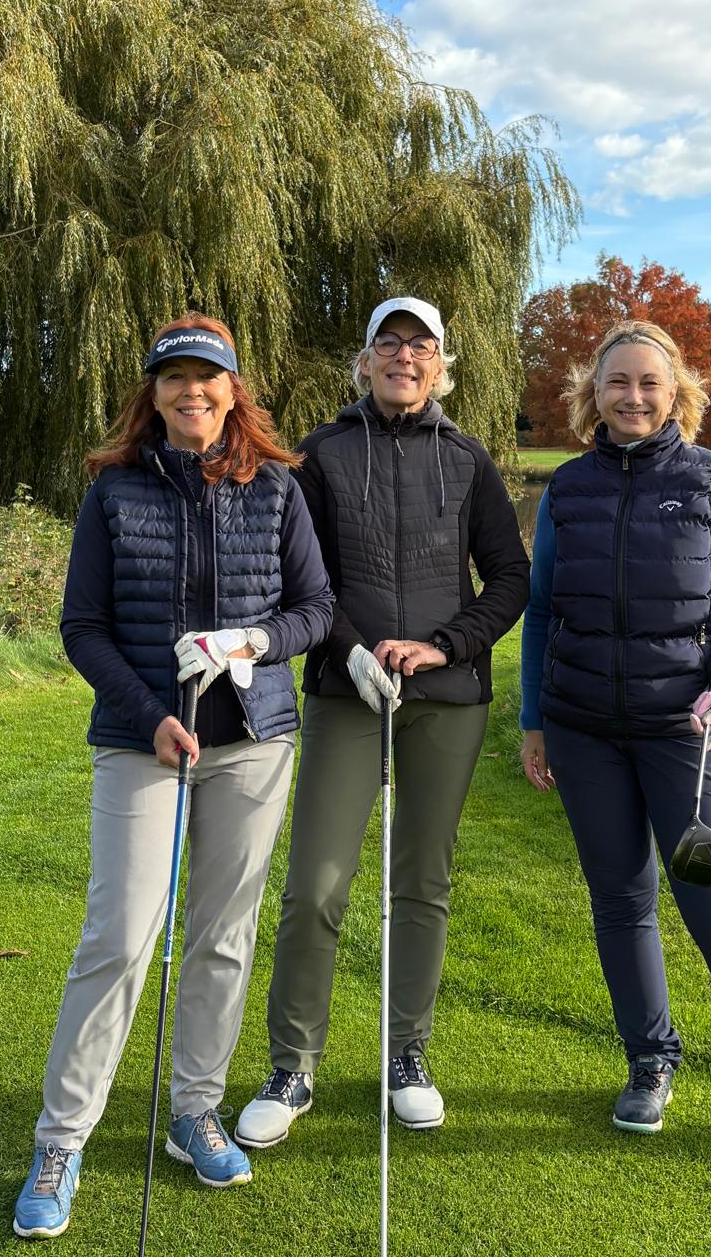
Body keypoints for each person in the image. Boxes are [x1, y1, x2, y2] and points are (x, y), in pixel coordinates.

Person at [13, 315, 333, 1239]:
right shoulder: (114, 491)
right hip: (141, 739)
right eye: (174, 379)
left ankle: (195, 1111)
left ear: (233, 391)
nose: (193, 391)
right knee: (120, 936)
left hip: (255, 739)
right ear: (152, 395)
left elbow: (315, 607)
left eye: (208, 377)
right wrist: (149, 712)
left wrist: (252, 640)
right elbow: (83, 627)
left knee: (223, 936)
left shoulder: (277, 487)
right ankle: (61, 1140)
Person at [518, 321, 711, 1174]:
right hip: (583, 731)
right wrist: (534, 721)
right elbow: (542, 611)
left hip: (684, 738)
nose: (633, 396)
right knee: (620, 902)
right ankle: (650, 1063)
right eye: (618, 382)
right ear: (594, 393)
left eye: (649, 382)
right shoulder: (568, 488)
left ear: (675, 391)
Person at [234, 297, 529, 1148]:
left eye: (420, 345)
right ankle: (293, 1065)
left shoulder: (468, 458)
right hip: (346, 690)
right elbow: (302, 580)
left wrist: (444, 647)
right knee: (317, 884)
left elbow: (510, 577)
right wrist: (355, 651)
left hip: (446, 696)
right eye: (388, 344)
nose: (404, 356)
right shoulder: (322, 453)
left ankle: (406, 1055)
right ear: (363, 362)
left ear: (440, 365)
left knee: (422, 884)